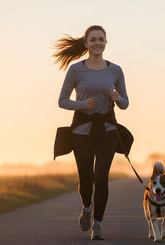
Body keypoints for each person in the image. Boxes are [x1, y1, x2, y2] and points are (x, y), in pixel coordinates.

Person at [53, 25, 129, 240]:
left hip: (108, 131)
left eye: (101, 39)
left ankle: (98, 225)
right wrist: (82, 104)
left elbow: (125, 103)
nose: (97, 43)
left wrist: (118, 99)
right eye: (93, 40)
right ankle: (87, 207)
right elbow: (62, 101)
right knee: (86, 180)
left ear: (106, 43)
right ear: (86, 43)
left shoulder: (116, 70)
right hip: (82, 132)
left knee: (101, 178)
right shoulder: (76, 70)